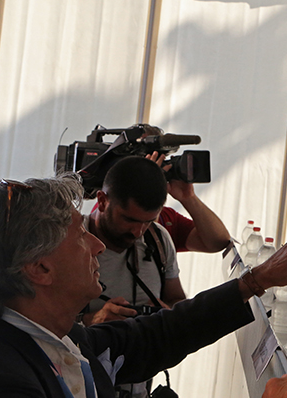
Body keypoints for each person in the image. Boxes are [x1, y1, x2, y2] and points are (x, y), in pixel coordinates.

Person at [0, 174, 287, 397]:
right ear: (40, 268)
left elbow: (159, 334)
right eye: (80, 237)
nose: (97, 246)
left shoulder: (57, 337)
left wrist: (257, 280)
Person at [83, 156, 187, 397]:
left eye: (148, 221)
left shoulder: (158, 239)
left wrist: (165, 314)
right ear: (101, 200)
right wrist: (93, 321)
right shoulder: (70, 244)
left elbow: (178, 301)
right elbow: (36, 325)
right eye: (128, 219)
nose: (137, 232)